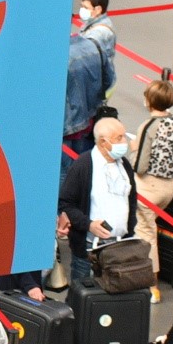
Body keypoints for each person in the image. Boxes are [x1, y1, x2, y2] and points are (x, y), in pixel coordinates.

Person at [56, 117, 139, 289]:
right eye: (119, 138)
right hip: (88, 251)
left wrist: (130, 231)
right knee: (84, 296)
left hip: (119, 248)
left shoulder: (124, 165)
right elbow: (66, 204)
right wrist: (89, 225)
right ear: (103, 142)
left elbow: (131, 200)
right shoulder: (83, 166)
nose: (124, 142)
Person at [135, 79, 173, 266]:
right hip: (169, 187)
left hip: (148, 190)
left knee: (146, 234)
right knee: (152, 228)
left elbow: (139, 166)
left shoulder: (148, 126)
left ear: (149, 101)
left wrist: (133, 149)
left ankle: (150, 277)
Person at [65, 0, 118, 154]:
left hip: (85, 96)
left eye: (85, 7)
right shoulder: (93, 25)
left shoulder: (99, 34)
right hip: (89, 97)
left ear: (98, 9)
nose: (82, 10)